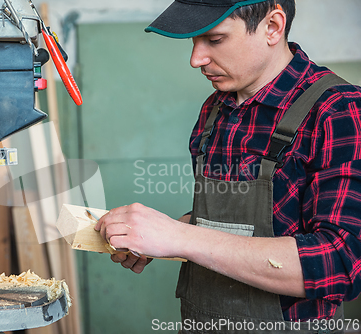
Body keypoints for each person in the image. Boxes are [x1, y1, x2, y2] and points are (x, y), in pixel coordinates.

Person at [94, 0, 361, 332]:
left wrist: (180, 237)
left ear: (273, 27)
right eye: (194, 41)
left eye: (215, 39)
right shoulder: (215, 110)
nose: (196, 59)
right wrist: (154, 237)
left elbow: (342, 262)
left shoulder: (338, 110)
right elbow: (230, 223)